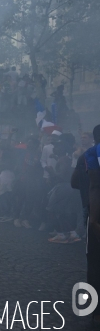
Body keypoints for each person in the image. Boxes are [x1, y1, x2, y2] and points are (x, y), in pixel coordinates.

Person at [83, 125, 100, 326]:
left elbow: (95, 185)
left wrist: (94, 218)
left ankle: (95, 309)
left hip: (96, 212)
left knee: (95, 262)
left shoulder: (91, 153)